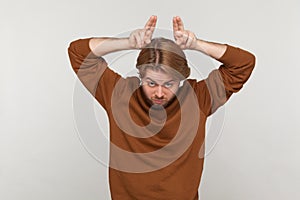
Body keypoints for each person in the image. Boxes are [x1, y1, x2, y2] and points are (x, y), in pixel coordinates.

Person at [68, 15, 255, 200]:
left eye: (168, 84)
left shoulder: (198, 99)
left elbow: (244, 63)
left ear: (181, 80)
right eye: (151, 83)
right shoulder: (120, 95)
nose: (159, 93)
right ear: (140, 75)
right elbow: (77, 52)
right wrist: (126, 43)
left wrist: (197, 45)